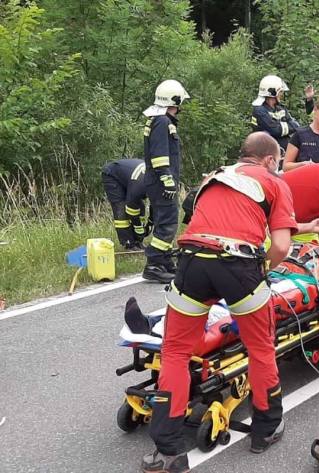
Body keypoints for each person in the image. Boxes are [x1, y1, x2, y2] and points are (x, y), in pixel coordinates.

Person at [140, 132, 301, 473]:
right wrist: (262, 270)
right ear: (271, 160)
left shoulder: (213, 177)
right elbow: (283, 246)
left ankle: (167, 453)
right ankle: (266, 429)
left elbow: (202, 219)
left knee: (175, 352)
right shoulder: (274, 182)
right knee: (260, 348)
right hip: (239, 264)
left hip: (192, 261)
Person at [142, 79, 190, 284]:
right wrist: (167, 180)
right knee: (168, 222)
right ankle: (153, 264)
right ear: (174, 101)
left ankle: (164, 261)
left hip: (158, 181)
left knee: (165, 220)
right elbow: (159, 155)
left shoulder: (160, 120)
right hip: (161, 182)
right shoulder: (162, 122)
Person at [101, 158, 150, 250]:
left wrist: (150, 223)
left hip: (129, 177)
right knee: (121, 210)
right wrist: (138, 227)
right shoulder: (139, 185)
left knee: (141, 207)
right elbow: (131, 209)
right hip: (112, 175)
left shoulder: (156, 184)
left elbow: (155, 206)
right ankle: (128, 243)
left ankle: (138, 241)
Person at [251, 75, 300, 151]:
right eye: (280, 92)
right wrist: (286, 126)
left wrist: (281, 126)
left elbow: (296, 125)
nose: (281, 94)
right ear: (273, 92)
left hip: (282, 152)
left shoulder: (280, 108)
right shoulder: (259, 110)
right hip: (265, 152)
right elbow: (275, 130)